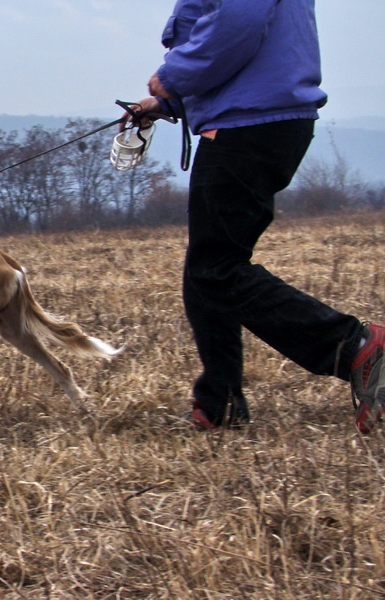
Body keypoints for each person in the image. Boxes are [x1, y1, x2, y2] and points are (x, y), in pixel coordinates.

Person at [125, 0, 383, 433]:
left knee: (217, 269)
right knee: (206, 266)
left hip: (247, 125)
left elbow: (236, 24)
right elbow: (249, 46)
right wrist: (168, 102)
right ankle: (220, 401)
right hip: (257, 117)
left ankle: (357, 346)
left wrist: (172, 79)